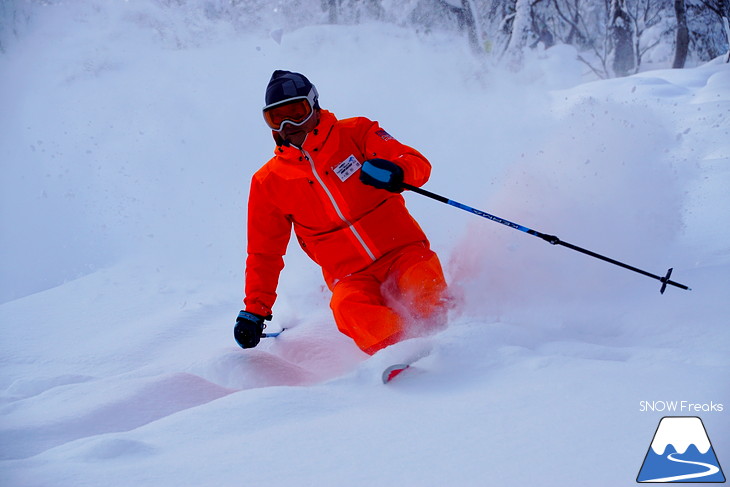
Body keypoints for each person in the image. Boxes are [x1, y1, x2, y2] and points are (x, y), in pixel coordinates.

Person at [234, 70, 448, 355]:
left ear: (314, 105)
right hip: (351, 277)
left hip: (403, 252)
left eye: (296, 112)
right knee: (347, 307)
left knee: (422, 282)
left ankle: (451, 338)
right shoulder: (269, 182)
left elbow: (414, 162)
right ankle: (401, 353)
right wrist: (255, 311)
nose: (288, 124)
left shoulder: (356, 133)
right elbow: (264, 254)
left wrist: (399, 171)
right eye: (276, 118)